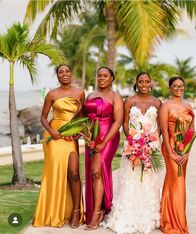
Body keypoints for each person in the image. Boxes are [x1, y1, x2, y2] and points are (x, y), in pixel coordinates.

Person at [104, 72, 162, 234]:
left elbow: (160, 127)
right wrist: (133, 141)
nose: (144, 84)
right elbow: (124, 123)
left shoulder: (157, 103)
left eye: (147, 82)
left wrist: (151, 144)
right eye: (141, 81)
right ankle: (128, 215)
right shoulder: (129, 101)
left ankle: (148, 215)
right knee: (131, 178)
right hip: (132, 146)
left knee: (148, 180)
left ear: (151, 83)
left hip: (151, 147)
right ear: (136, 83)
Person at [32, 64, 85, 228]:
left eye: (67, 71)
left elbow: (81, 117)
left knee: (74, 173)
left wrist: (78, 133)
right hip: (54, 138)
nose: (64, 74)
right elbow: (43, 117)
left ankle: (76, 211)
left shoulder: (79, 93)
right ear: (57, 76)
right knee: (55, 174)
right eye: (60, 72)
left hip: (70, 138)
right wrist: (52, 132)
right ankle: (53, 212)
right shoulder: (52, 94)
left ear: (71, 73)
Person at [84, 66, 123, 230]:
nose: (101, 78)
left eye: (105, 76)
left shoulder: (115, 97)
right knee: (94, 173)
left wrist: (104, 141)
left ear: (111, 78)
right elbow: (85, 118)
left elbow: (118, 121)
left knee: (97, 171)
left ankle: (98, 211)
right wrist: (87, 136)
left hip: (109, 135)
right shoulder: (91, 95)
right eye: (99, 75)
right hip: (92, 136)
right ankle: (97, 208)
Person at [159, 76, 195, 234]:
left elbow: (191, 131)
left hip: (184, 149)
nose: (179, 89)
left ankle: (167, 216)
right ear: (170, 88)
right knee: (178, 183)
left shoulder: (188, 106)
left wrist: (187, 152)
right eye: (175, 86)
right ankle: (177, 224)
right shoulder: (166, 106)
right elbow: (165, 132)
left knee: (173, 182)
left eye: (181, 86)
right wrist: (170, 152)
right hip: (170, 147)